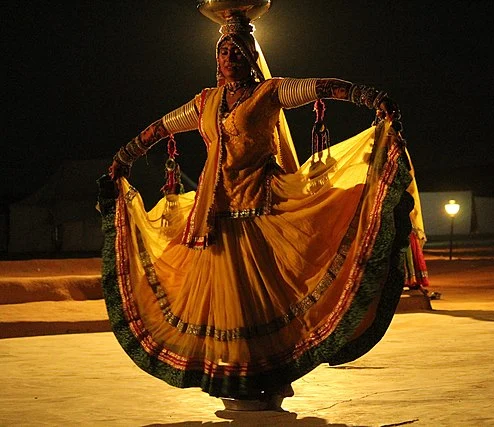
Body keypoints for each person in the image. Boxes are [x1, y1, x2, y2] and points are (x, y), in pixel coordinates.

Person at [98, 12, 422, 410]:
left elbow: (319, 88)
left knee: (263, 299)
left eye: (237, 50)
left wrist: (368, 97)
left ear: (250, 54)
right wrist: (125, 156)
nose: (230, 56)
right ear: (216, 60)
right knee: (225, 304)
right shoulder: (206, 102)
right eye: (224, 51)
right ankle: (235, 380)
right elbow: (162, 128)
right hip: (214, 215)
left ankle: (268, 379)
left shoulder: (268, 93)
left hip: (261, 208)